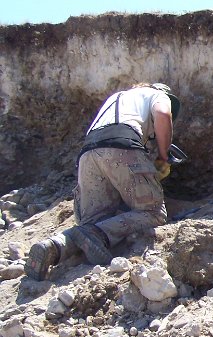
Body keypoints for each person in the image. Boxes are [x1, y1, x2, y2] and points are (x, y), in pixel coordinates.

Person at [24, 83, 181, 280]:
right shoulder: (157, 94)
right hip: (123, 145)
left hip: (88, 154)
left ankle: (54, 246)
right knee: (153, 213)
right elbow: (163, 114)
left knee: (96, 221)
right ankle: (96, 234)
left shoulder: (117, 99)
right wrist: (164, 156)